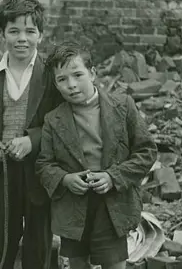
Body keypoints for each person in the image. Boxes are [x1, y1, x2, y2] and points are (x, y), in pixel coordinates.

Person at [35, 41, 157, 269]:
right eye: (62, 79)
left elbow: (146, 151)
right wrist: (65, 179)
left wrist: (114, 176)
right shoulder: (53, 119)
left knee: (114, 262)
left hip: (113, 204)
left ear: (92, 74)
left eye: (77, 75)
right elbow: (44, 164)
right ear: (56, 84)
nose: (71, 85)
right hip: (73, 205)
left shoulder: (123, 106)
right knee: (78, 262)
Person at [0, 0, 62, 269]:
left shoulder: (52, 76)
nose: (22, 38)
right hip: (0, 175)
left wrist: (32, 141)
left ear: (40, 35)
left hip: (40, 173)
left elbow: (63, 125)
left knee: (38, 245)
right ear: (2, 33)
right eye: (14, 31)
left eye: (30, 31)